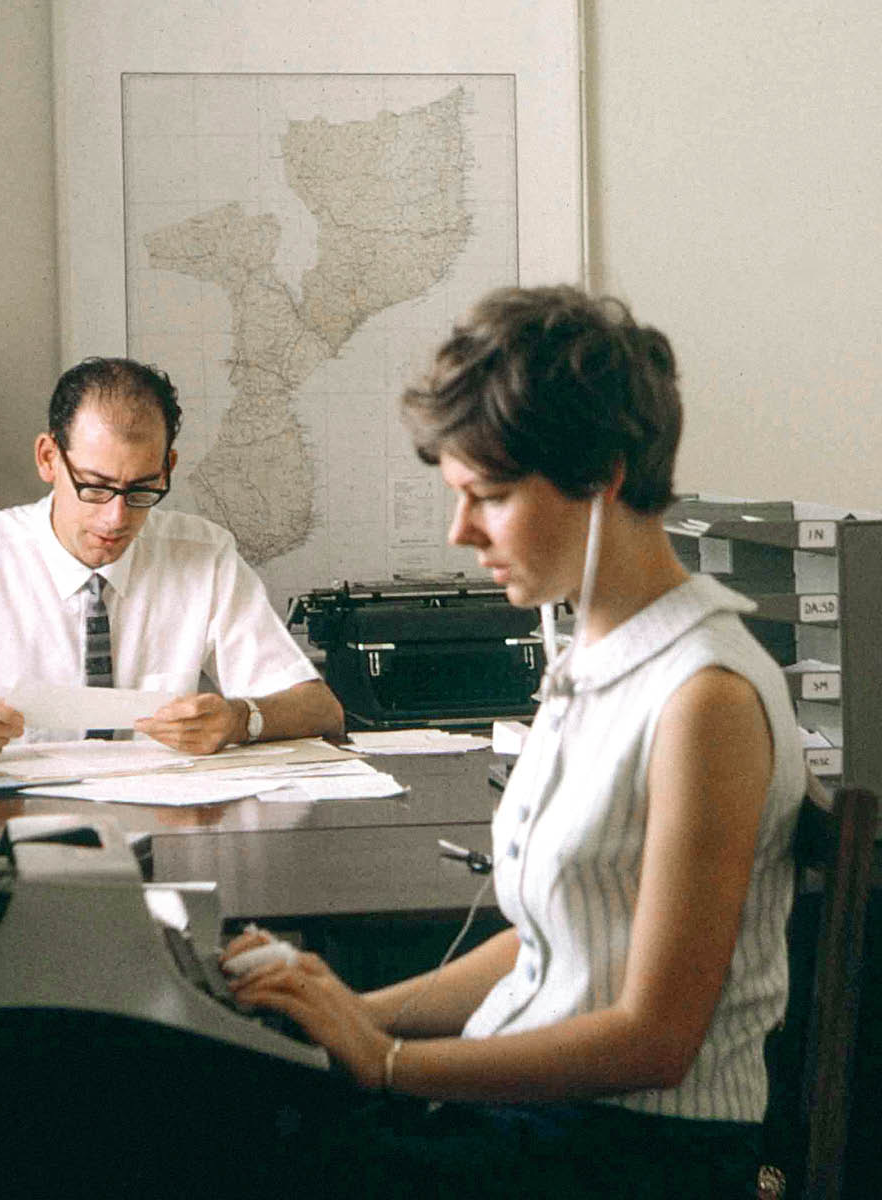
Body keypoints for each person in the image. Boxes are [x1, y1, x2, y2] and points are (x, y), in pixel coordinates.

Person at [222, 286, 805, 1199]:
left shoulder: (706, 699)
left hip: (634, 1155)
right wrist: (346, 1011)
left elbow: (656, 1040)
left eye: (487, 497)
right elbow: (556, 943)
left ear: (602, 477)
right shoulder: (594, 657)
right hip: (546, 1121)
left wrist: (387, 1061)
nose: (460, 532)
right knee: (234, 1105)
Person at [0, 357, 343, 763]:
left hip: (168, 821)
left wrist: (239, 719)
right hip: (16, 822)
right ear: (48, 458)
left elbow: (321, 709)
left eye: (142, 490)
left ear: (167, 468)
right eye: (94, 487)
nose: (115, 518)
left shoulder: (205, 555)